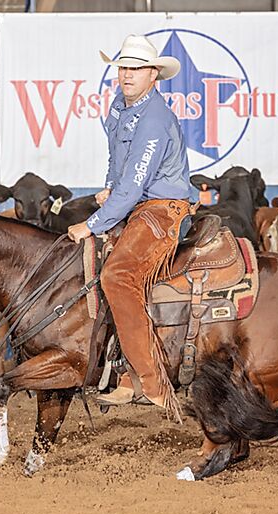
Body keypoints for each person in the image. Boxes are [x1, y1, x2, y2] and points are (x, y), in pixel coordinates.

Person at [68, 34, 191, 420]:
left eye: (136, 68)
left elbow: (136, 181)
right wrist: (110, 187)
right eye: (123, 67)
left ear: (154, 75)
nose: (126, 74)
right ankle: (122, 369)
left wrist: (93, 223)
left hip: (163, 210)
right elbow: (117, 162)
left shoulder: (154, 118)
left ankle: (151, 380)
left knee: (118, 276)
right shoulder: (119, 108)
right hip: (138, 206)